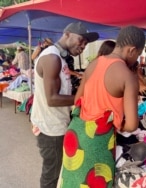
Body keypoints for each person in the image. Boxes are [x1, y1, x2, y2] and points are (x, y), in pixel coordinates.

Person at [60, 25, 145, 188]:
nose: (136, 59)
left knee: (72, 182)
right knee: (94, 182)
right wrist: (119, 124)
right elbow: (132, 125)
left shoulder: (93, 64)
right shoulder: (128, 76)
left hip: (75, 134)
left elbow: (78, 99)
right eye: (138, 55)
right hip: (97, 141)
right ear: (132, 50)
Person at [30, 22, 99, 188]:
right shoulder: (52, 58)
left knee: (57, 170)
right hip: (51, 129)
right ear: (67, 34)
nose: (83, 46)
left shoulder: (60, 58)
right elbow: (52, 99)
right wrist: (84, 98)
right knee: (51, 175)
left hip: (57, 124)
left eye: (86, 44)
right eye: (81, 40)